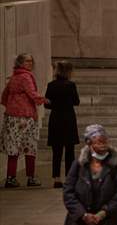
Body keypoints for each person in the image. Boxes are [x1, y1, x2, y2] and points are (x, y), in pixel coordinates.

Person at [1, 53, 47, 188]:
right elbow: (32, 93)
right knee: (30, 147)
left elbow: (4, 95)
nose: (30, 64)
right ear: (20, 63)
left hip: (12, 117)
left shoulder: (14, 76)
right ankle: (31, 177)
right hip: (25, 118)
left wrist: (11, 105)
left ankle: (10, 178)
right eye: (27, 61)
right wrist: (43, 99)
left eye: (31, 61)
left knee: (13, 148)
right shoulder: (26, 76)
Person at [45, 60, 80, 188]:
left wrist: (55, 103)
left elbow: (46, 104)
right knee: (69, 150)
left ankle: (56, 178)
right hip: (68, 118)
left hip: (55, 119)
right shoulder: (71, 85)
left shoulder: (51, 85)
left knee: (57, 151)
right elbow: (76, 101)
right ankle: (69, 178)